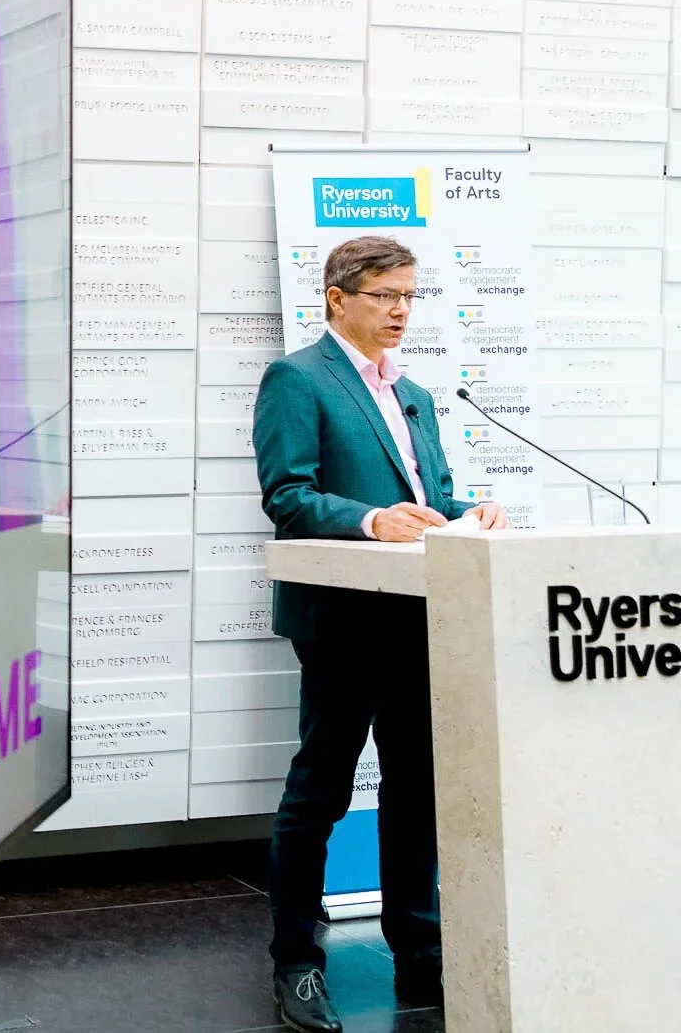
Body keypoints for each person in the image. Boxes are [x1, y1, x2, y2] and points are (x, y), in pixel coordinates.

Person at [252, 235, 508, 1033]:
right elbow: (289, 495)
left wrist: (470, 512)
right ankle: (296, 960)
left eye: (408, 296)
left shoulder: (417, 395)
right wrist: (371, 521)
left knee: (416, 789)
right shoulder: (298, 378)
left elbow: (428, 498)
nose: (401, 310)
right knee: (321, 789)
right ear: (337, 297)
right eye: (385, 295)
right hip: (341, 620)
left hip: (421, 617)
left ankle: (420, 952)